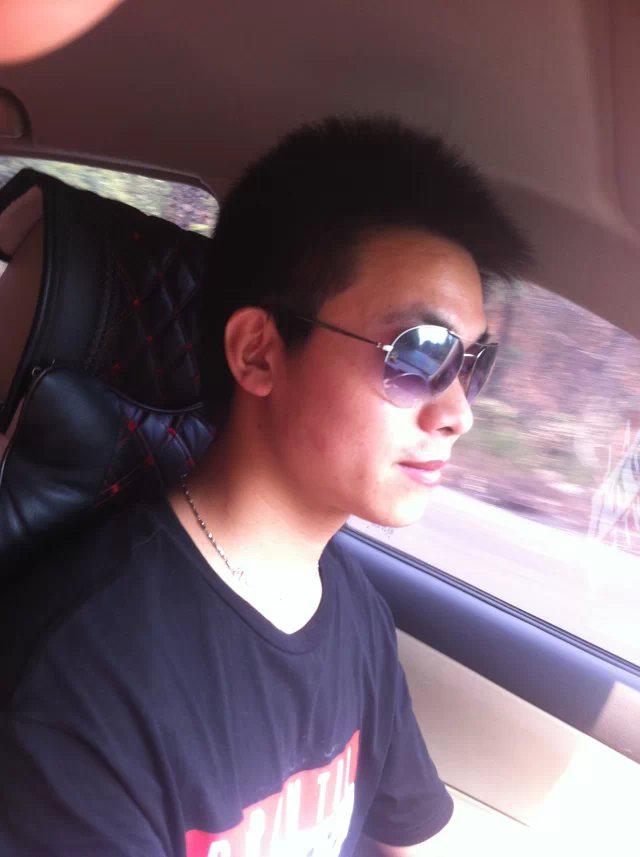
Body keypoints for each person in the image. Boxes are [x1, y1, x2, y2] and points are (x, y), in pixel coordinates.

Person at [0, 115, 530, 856]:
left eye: (472, 364)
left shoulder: (354, 610)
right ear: (258, 354)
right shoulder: (81, 681)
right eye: (420, 355)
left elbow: (401, 842)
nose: (459, 413)